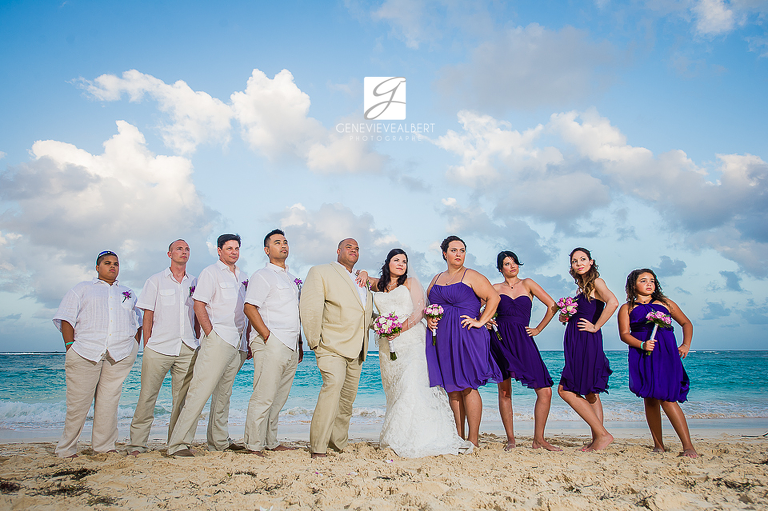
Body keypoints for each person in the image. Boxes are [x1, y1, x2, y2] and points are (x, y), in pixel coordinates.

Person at [362, 249, 473, 457]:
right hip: (388, 345)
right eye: (396, 260)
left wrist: (399, 329)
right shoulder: (380, 285)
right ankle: (399, 435)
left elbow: (420, 310)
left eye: (404, 261)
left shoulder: (411, 282)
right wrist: (363, 273)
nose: (401, 264)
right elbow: (364, 277)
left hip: (412, 339)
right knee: (395, 389)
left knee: (411, 385)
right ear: (387, 263)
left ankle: (421, 436)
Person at [52, 250, 141, 458]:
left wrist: (134, 346)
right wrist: (70, 345)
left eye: (116, 264)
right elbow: (66, 319)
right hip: (85, 351)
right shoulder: (82, 289)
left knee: (109, 402)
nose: (113, 267)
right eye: (108, 263)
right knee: (78, 404)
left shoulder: (128, 293)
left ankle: (104, 447)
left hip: (118, 354)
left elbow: (137, 321)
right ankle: (66, 449)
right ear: (97, 267)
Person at [166, 234, 249, 457]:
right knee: (199, 391)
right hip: (219, 338)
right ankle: (178, 444)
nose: (234, 252)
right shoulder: (210, 272)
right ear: (219, 251)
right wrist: (210, 334)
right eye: (229, 248)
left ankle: (219, 441)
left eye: (237, 248)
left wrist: (247, 341)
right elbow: (198, 303)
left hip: (238, 341)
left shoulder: (242, 276)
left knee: (224, 394)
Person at [299, 238, 374, 458]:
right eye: (349, 247)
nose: (354, 250)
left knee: (347, 400)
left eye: (357, 248)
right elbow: (310, 307)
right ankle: (318, 447)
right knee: (332, 389)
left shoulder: (362, 279)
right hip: (330, 345)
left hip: (358, 347)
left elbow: (363, 312)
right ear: (338, 251)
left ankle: (337, 443)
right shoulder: (320, 271)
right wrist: (315, 341)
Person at [425, 235, 501, 447]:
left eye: (462, 250)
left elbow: (494, 298)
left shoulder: (472, 275)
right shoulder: (436, 278)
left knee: (468, 385)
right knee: (452, 388)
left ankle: (473, 440)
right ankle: (457, 437)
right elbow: (430, 305)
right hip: (442, 337)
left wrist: (480, 321)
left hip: (468, 335)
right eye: (454, 250)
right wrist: (430, 318)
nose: (458, 254)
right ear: (444, 253)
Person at [127, 239, 199, 455]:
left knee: (182, 401)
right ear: (169, 254)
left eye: (187, 249)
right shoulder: (155, 280)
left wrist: (196, 339)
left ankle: (177, 444)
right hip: (158, 346)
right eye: (179, 248)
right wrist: (147, 344)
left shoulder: (195, 282)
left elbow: (197, 315)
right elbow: (147, 314)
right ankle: (137, 444)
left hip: (187, 347)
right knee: (148, 396)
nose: (184, 252)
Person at [618, 268, 698, 458]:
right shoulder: (627, 308)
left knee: (667, 398)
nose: (649, 284)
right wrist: (642, 344)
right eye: (644, 280)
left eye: (652, 281)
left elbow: (686, 323)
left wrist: (686, 344)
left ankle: (688, 446)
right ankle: (658, 445)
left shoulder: (666, 303)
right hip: (642, 354)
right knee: (650, 399)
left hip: (666, 354)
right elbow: (624, 335)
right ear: (633, 285)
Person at [489, 250, 560, 451]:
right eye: (506, 264)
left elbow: (552, 306)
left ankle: (539, 439)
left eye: (514, 263)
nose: (511, 266)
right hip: (501, 340)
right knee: (504, 391)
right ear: (500, 268)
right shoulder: (494, 288)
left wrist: (538, 328)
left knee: (545, 390)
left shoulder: (528, 283)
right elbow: (481, 310)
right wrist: (487, 320)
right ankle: (511, 439)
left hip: (523, 338)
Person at [242, 229, 303, 456]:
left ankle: (271, 440)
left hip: (291, 343)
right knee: (264, 394)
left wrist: (299, 343)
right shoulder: (262, 275)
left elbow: (294, 313)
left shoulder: (291, 278)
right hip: (272, 341)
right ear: (267, 250)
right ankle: (253, 444)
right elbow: (250, 307)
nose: (283, 245)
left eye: (285, 242)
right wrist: (267, 336)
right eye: (277, 243)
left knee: (279, 397)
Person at [557, 247, 618, 452]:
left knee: (565, 390)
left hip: (587, 341)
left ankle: (602, 435)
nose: (579, 263)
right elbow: (578, 314)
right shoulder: (580, 289)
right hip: (576, 342)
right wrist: (565, 316)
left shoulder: (597, 283)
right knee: (591, 392)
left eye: (583, 259)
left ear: (591, 262)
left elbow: (613, 302)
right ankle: (598, 439)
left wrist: (596, 325)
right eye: (575, 261)